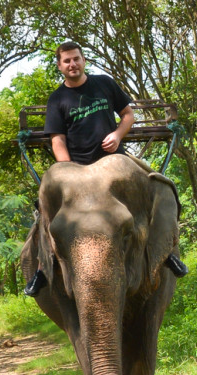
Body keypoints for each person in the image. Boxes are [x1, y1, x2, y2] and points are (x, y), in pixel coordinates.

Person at [24, 42, 186, 297]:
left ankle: (165, 253)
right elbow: (57, 139)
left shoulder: (103, 83)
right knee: (45, 209)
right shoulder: (57, 99)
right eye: (66, 61)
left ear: (83, 60)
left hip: (114, 163)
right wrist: (67, 171)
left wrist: (118, 135)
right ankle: (44, 268)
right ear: (60, 66)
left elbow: (128, 114)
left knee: (157, 186)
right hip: (77, 167)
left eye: (76, 59)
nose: (72, 64)